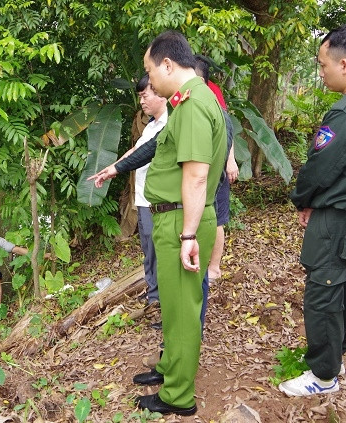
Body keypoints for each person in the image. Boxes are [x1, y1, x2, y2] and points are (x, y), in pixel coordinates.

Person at [90, 30, 227, 416]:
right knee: (172, 303)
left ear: (168, 65)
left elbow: (197, 176)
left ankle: (178, 398)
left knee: (184, 312)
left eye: (151, 72)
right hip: (170, 218)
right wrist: (116, 168)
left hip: (183, 221)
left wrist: (187, 235)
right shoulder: (185, 103)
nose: (149, 80)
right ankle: (170, 368)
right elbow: (157, 146)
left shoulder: (197, 104)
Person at [279, 24, 346, 397]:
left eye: (322, 65)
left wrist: (303, 199)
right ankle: (335, 357)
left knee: (324, 293)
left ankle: (323, 375)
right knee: (345, 291)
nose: (320, 73)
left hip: (339, 221)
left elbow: (321, 168)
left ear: (344, 64)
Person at [193, 55, 238, 330]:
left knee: (218, 217)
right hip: (200, 169)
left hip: (216, 168)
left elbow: (226, 126)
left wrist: (230, 160)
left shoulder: (211, 93)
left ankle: (215, 266)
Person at [120, 74, 168, 305]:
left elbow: (145, 154)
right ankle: (154, 295)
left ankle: (159, 298)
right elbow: (136, 152)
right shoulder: (150, 126)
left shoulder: (169, 124)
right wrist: (112, 168)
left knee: (157, 251)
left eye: (144, 95)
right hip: (142, 199)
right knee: (148, 250)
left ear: (159, 93)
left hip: (156, 200)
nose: (141, 102)